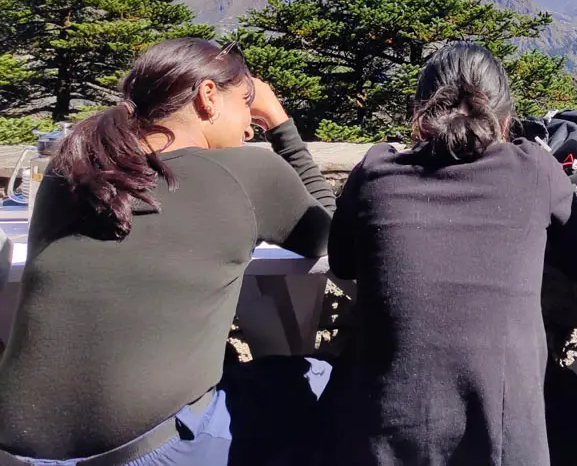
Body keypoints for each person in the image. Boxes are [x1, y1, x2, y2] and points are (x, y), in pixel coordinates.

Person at [0, 38, 335, 465]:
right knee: (326, 381)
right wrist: (280, 122)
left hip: (15, 448)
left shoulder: (73, 165)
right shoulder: (247, 171)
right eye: (246, 107)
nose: (250, 128)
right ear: (207, 96)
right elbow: (332, 235)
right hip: (148, 451)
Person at [324, 41, 577, 466]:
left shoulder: (376, 172)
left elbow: (343, 261)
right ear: (506, 119)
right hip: (506, 446)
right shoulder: (533, 169)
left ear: (419, 117)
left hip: (379, 440)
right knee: (563, 400)